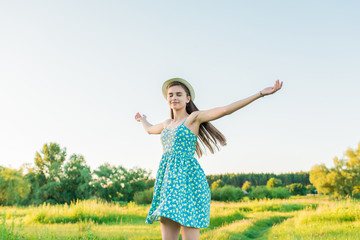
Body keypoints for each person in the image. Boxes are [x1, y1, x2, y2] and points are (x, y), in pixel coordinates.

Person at [135, 78, 283, 240]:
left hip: (188, 182)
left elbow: (225, 110)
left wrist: (260, 94)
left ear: (187, 98)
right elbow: (149, 130)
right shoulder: (166, 124)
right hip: (168, 184)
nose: (174, 98)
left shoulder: (193, 118)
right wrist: (142, 119)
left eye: (179, 94)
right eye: (170, 95)